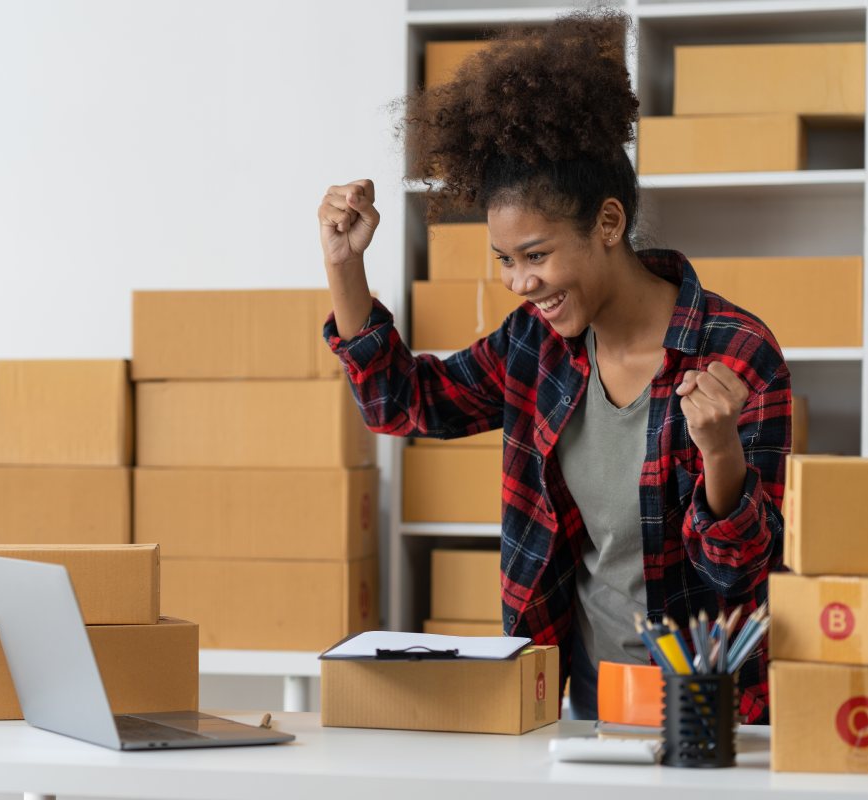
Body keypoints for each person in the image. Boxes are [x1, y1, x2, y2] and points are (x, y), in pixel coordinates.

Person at [316, 10, 790, 723]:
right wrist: (344, 266)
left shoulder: (737, 351)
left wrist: (720, 451)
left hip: (711, 713)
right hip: (581, 710)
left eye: (536, 255)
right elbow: (402, 402)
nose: (519, 282)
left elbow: (738, 569)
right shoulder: (535, 348)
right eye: (504, 261)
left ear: (607, 224)